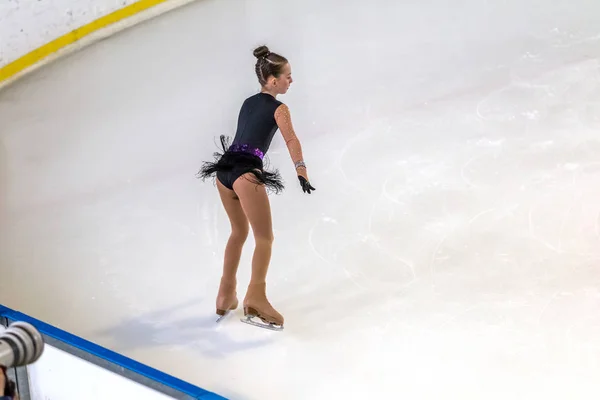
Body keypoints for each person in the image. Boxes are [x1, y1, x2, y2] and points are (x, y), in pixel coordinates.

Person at [197, 45, 315, 330]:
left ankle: (225, 295)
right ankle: (256, 297)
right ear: (272, 80)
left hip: (224, 171)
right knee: (265, 238)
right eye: (287, 76)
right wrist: (301, 171)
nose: (290, 80)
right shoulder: (280, 108)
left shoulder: (248, 102)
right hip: (247, 174)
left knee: (238, 232)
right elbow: (291, 140)